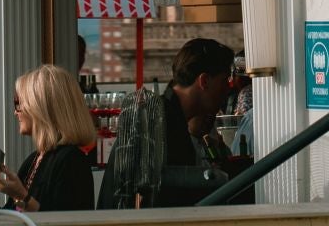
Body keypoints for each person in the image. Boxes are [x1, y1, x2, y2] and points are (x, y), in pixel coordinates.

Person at [99, 36, 242, 208]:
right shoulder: (159, 121)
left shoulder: (165, 115)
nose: (229, 88)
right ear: (204, 81)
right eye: (224, 80)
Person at [0, 63, 97, 212]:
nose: (15, 112)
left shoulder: (71, 161)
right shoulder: (34, 159)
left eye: (18, 103)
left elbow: (58, 222)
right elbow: (2, 218)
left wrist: (21, 196)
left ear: (41, 107)